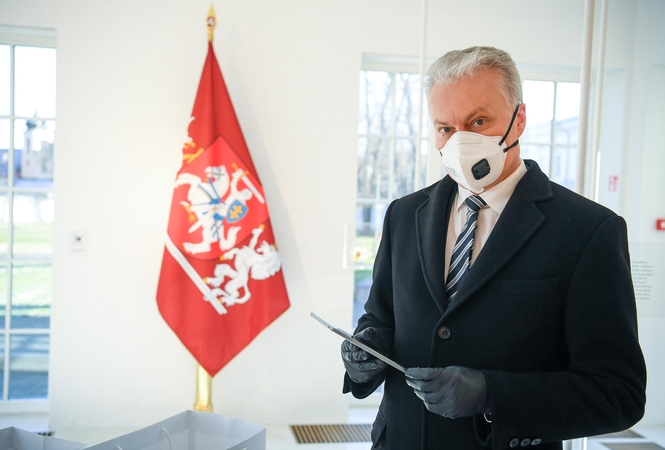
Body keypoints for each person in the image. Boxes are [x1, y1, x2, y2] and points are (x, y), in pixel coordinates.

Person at [341, 46, 646, 450]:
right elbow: (381, 317)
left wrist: (492, 395)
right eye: (445, 128)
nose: (460, 141)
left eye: (478, 121)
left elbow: (619, 393)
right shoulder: (404, 214)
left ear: (519, 120)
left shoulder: (589, 231)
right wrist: (366, 350)